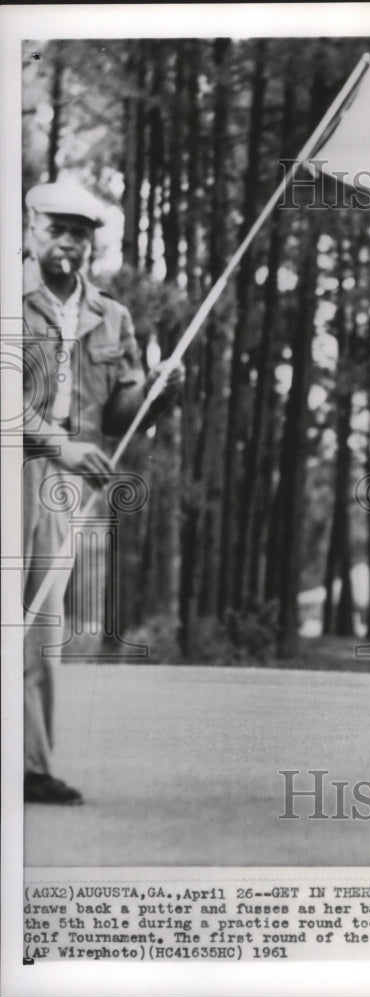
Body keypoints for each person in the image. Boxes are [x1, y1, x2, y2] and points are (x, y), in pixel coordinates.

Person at [22, 181, 181, 804]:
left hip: (58, 483)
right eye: (56, 228)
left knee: (39, 623)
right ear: (30, 228)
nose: (67, 242)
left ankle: (30, 767)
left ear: (94, 242)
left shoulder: (110, 315)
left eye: (80, 233)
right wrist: (54, 441)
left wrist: (157, 390)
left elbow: (118, 417)